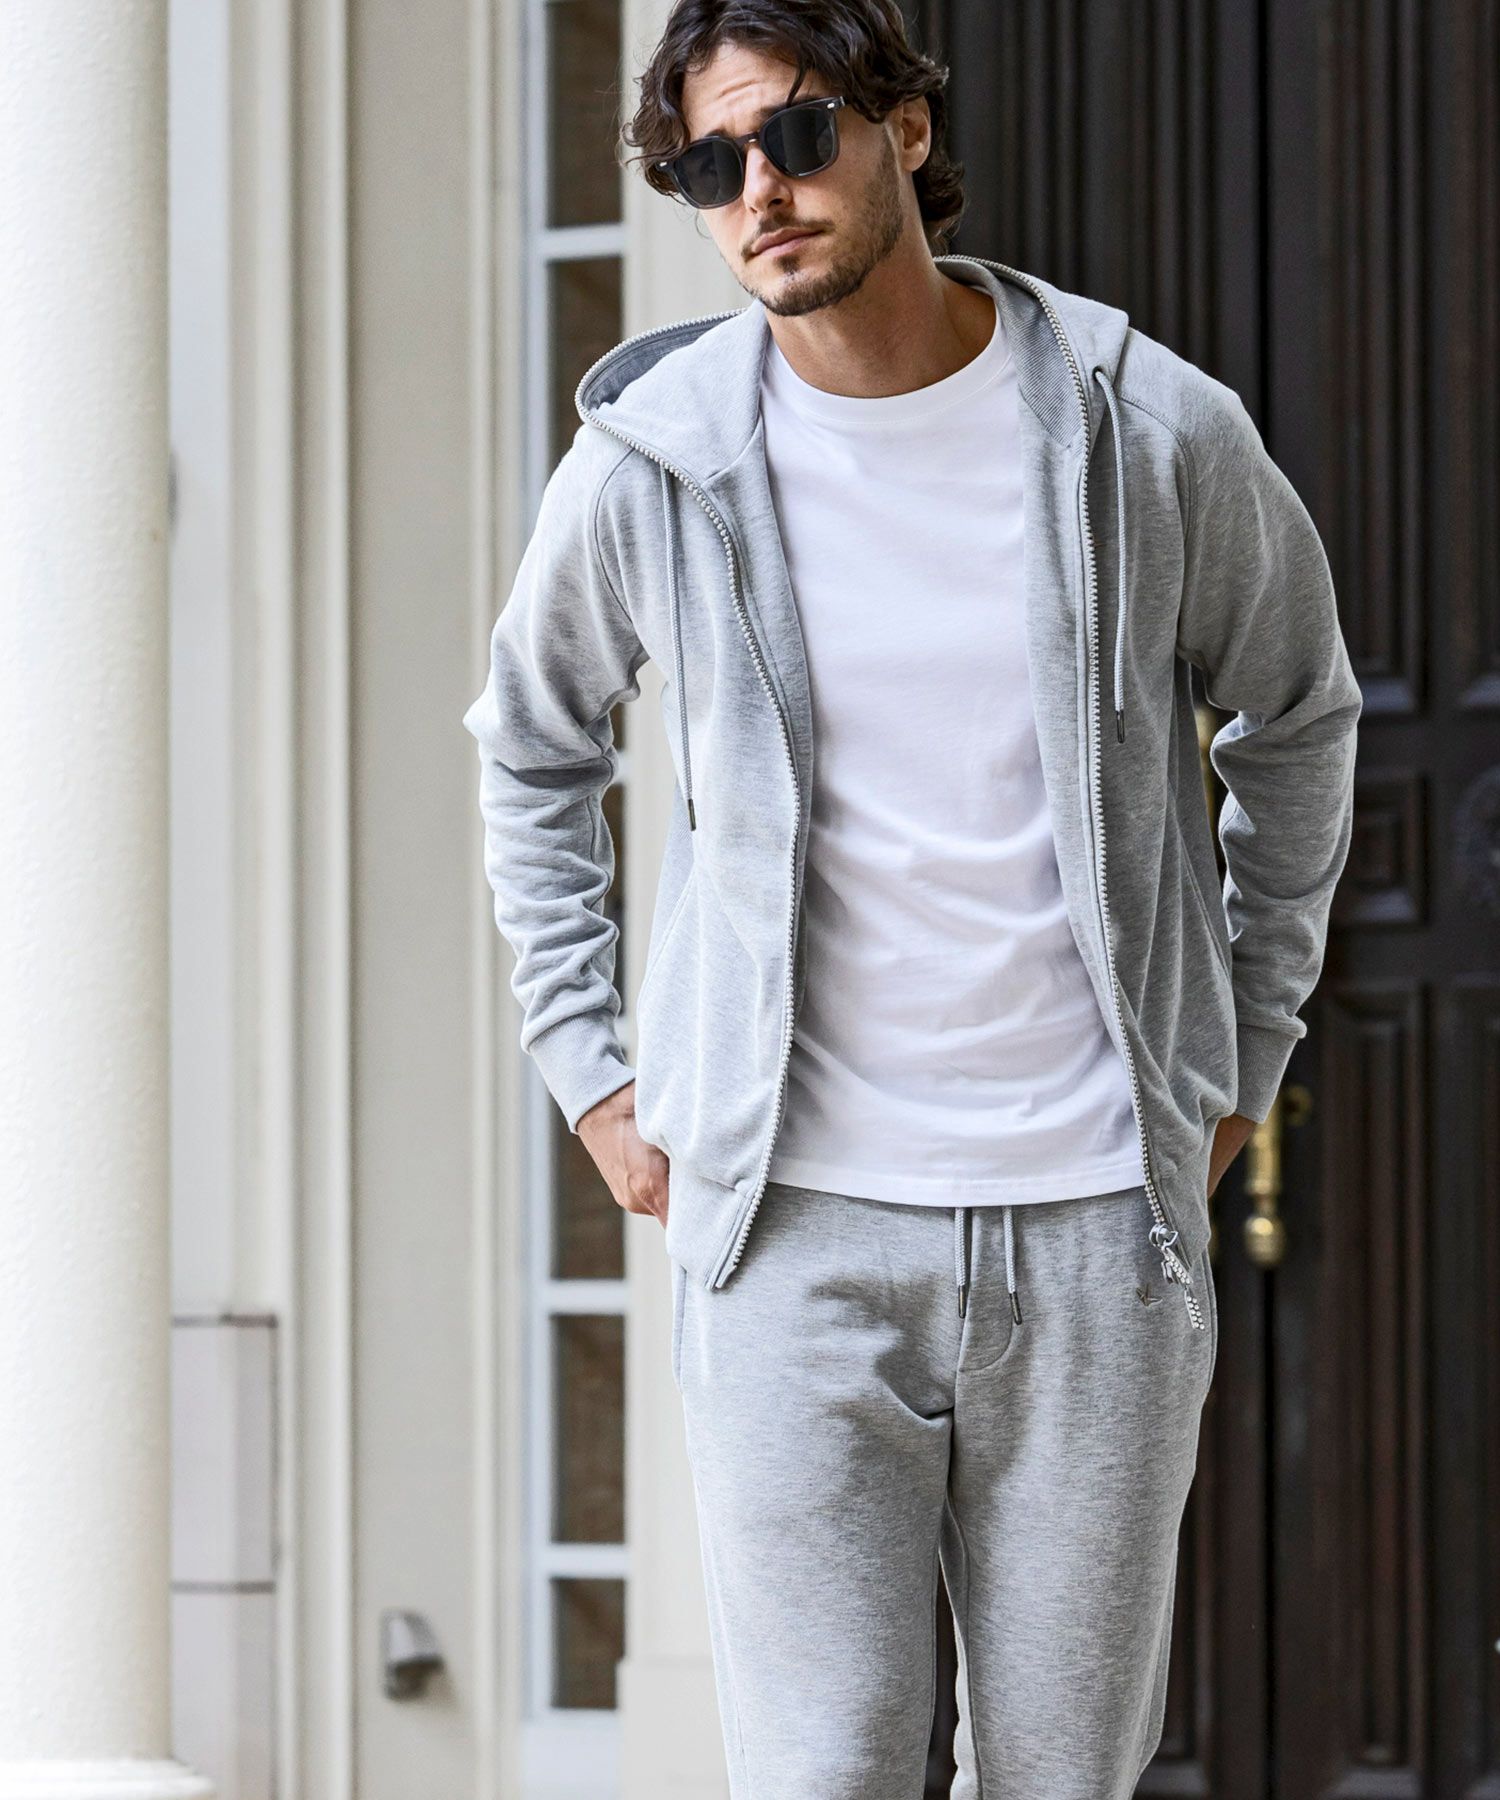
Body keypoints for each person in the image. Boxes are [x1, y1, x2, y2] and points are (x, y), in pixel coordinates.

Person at [461, 2, 1362, 1792]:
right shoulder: (658, 463)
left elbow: (1301, 715)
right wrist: (593, 1070)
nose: (759, 193)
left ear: (909, 132)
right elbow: (531, 747)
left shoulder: (1144, 429)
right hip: (793, 1234)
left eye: (797, 136)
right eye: (708, 166)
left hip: (1096, 1220)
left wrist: (1242, 1052)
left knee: (1065, 1772)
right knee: (828, 1770)